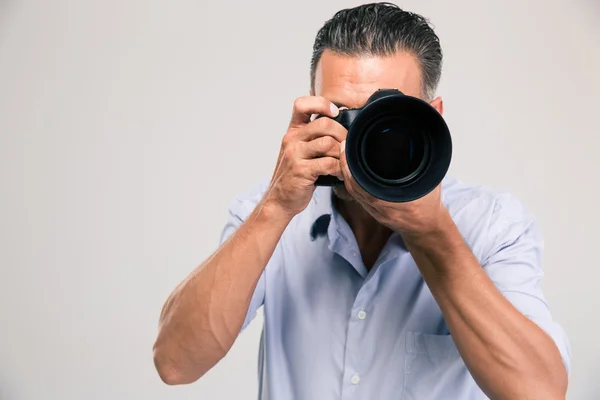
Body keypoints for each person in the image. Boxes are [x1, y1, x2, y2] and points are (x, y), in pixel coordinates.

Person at [152, 3, 571, 399]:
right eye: (343, 116)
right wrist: (275, 208)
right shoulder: (272, 215)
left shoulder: (491, 224)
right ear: (314, 113)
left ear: (432, 117)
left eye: (385, 116)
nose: (363, 140)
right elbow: (175, 364)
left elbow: (539, 391)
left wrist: (431, 233)